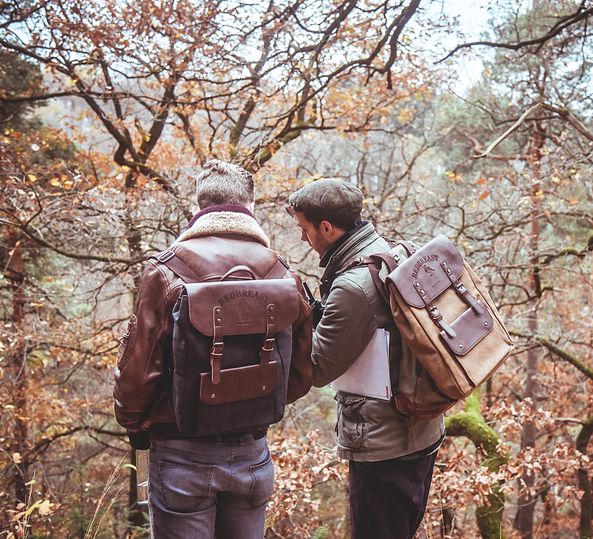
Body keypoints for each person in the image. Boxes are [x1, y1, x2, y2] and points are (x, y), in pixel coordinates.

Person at [114, 159, 312, 539]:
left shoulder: (166, 270)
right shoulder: (283, 273)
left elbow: (139, 375)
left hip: (181, 453)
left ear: (197, 210)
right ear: (250, 210)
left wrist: (133, 419)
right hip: (253, 455)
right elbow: (299, 377)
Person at [286, 179, 444, 539]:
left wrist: (300, 319)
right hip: (421, 430)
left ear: (326, 227)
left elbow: (318, 368)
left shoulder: (353, 285)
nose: (302, 238)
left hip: (383, 447)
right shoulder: (390, 252)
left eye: (303, 228)